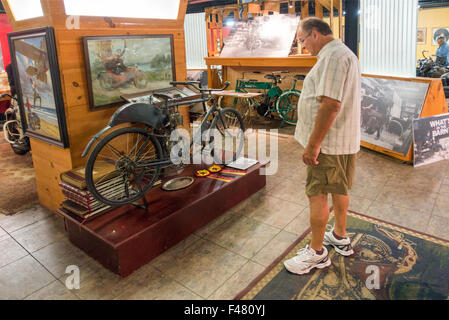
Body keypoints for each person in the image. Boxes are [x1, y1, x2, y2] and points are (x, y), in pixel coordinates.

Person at [284, 17, 361, 275]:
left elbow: (330, 104)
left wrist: (313, 145)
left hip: (328, 144)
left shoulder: (334, 57)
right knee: (339, 187)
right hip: (339, 140)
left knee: (316, 193)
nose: (302, 46)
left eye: (302, 40)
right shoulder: (339, 54)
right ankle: (339, 234)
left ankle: (317, 252)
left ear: (315, 34)